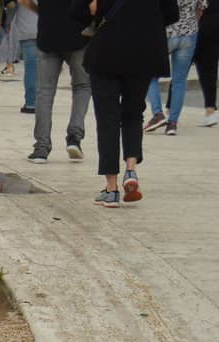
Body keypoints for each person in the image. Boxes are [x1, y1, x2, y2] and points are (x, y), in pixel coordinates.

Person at [75, 0, 181, 206]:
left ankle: (111, 188)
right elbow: (172, 14)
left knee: (107, 119)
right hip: (144, 52)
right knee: (133, 113)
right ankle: (131, 169)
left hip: (107, 51)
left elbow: (78, 11)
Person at [25, 0, 92, 161]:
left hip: (48, 32)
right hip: (79, 34)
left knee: (45, 92)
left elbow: (23, 1)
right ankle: (74, 137)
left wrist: (42, 11)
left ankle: (41, 147)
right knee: (82, 86)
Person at [143, 0, 203, 132]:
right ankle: (173, 123)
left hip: (166, 32)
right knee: (179, 81)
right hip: (189, 33)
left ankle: (157, 114)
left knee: (150, 75)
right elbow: (201, 8)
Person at [199, 0, 218, 124]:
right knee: (210, 69)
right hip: (214, 24)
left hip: (200, 27)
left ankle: (170, 111)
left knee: (181, 72)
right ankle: (210, 110)